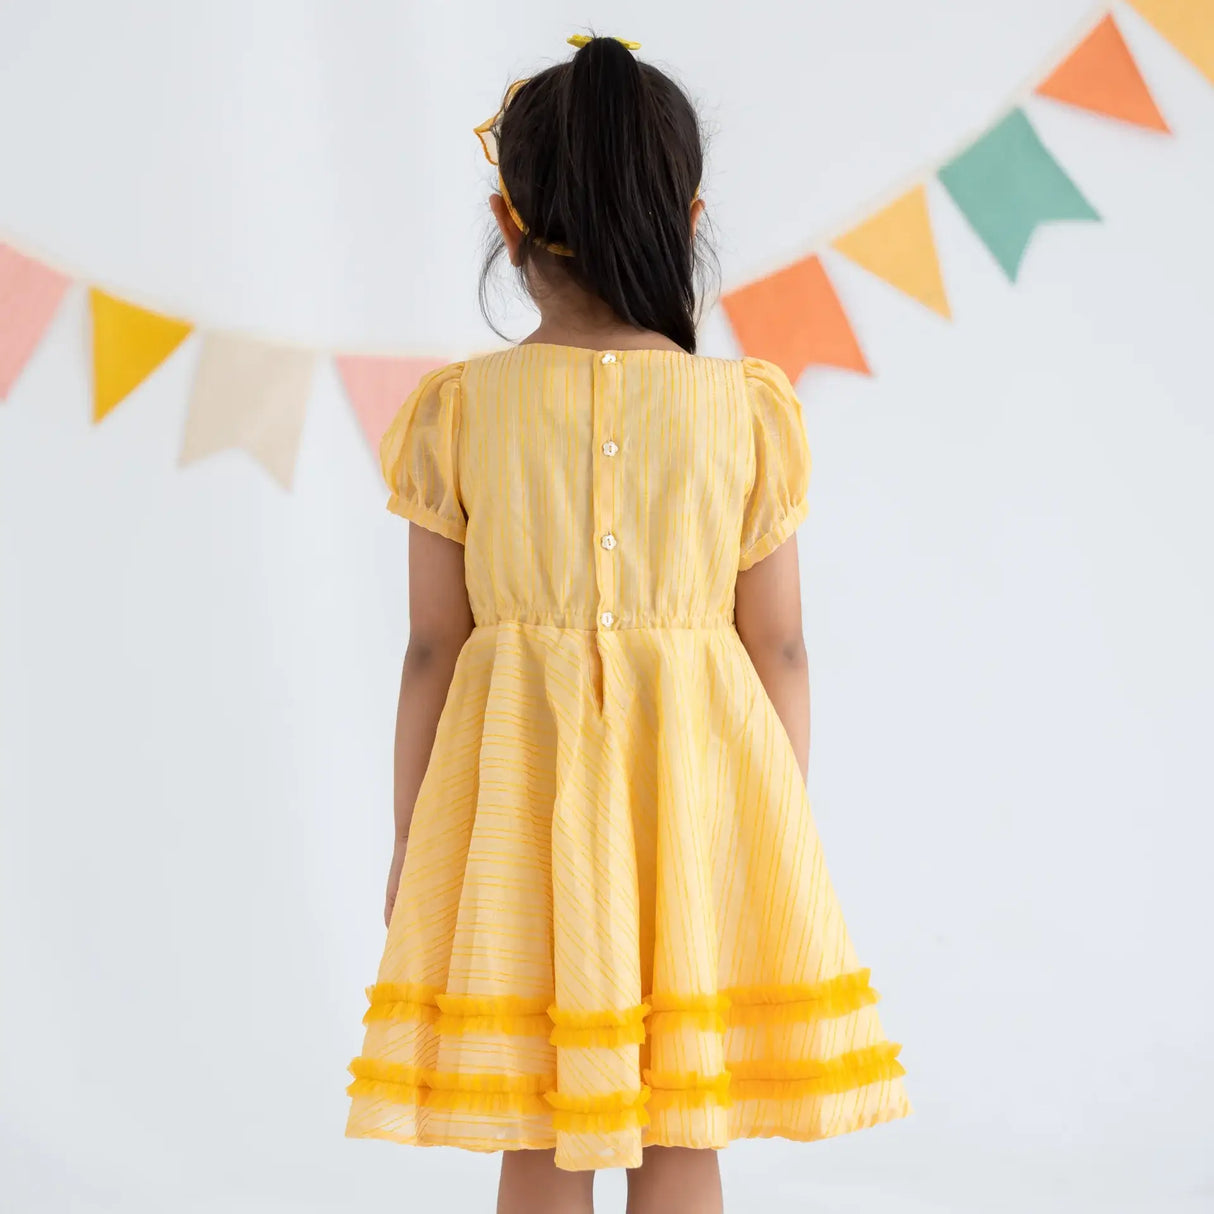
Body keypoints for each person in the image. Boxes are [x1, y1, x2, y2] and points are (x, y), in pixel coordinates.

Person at [344, 32, 910, 1214]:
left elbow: (431, 651)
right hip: (696, 800)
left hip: (510, 804)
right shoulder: (742, 411)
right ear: (688, 213)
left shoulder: (461, 411)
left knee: (539, 1129)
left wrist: (410, 836)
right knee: (682, 1129)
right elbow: (781, 646)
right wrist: (770, 818)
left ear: (508, 220)